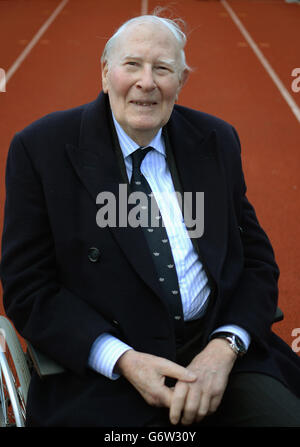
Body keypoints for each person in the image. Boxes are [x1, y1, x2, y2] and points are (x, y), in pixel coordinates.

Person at [1, 14, 300, 427]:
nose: (147, 82)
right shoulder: (41, 149)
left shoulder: (215, 140)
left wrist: (225, 347)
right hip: (107, 370)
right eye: (132, 65)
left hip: (217, 355)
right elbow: (28, 287)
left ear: (181, 82)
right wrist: (122, 359)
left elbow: (256, 264)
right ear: (106, 73)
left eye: (163, 69)